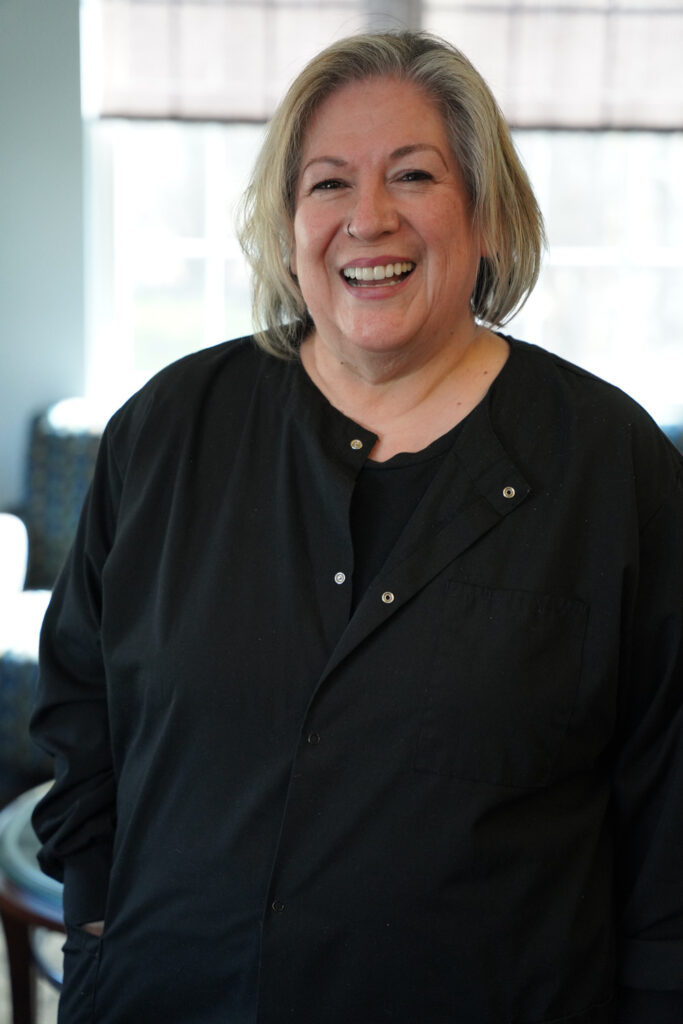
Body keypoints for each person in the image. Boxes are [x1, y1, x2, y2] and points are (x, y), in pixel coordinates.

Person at [30, 30, 683, 1024]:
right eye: (328, 183)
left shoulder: (611, 465)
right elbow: (81, 705)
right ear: (287, 222)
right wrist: (96, 926)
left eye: (412, 175)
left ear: (484, 213)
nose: (366, 218)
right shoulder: (167, 428)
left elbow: (669, 803)